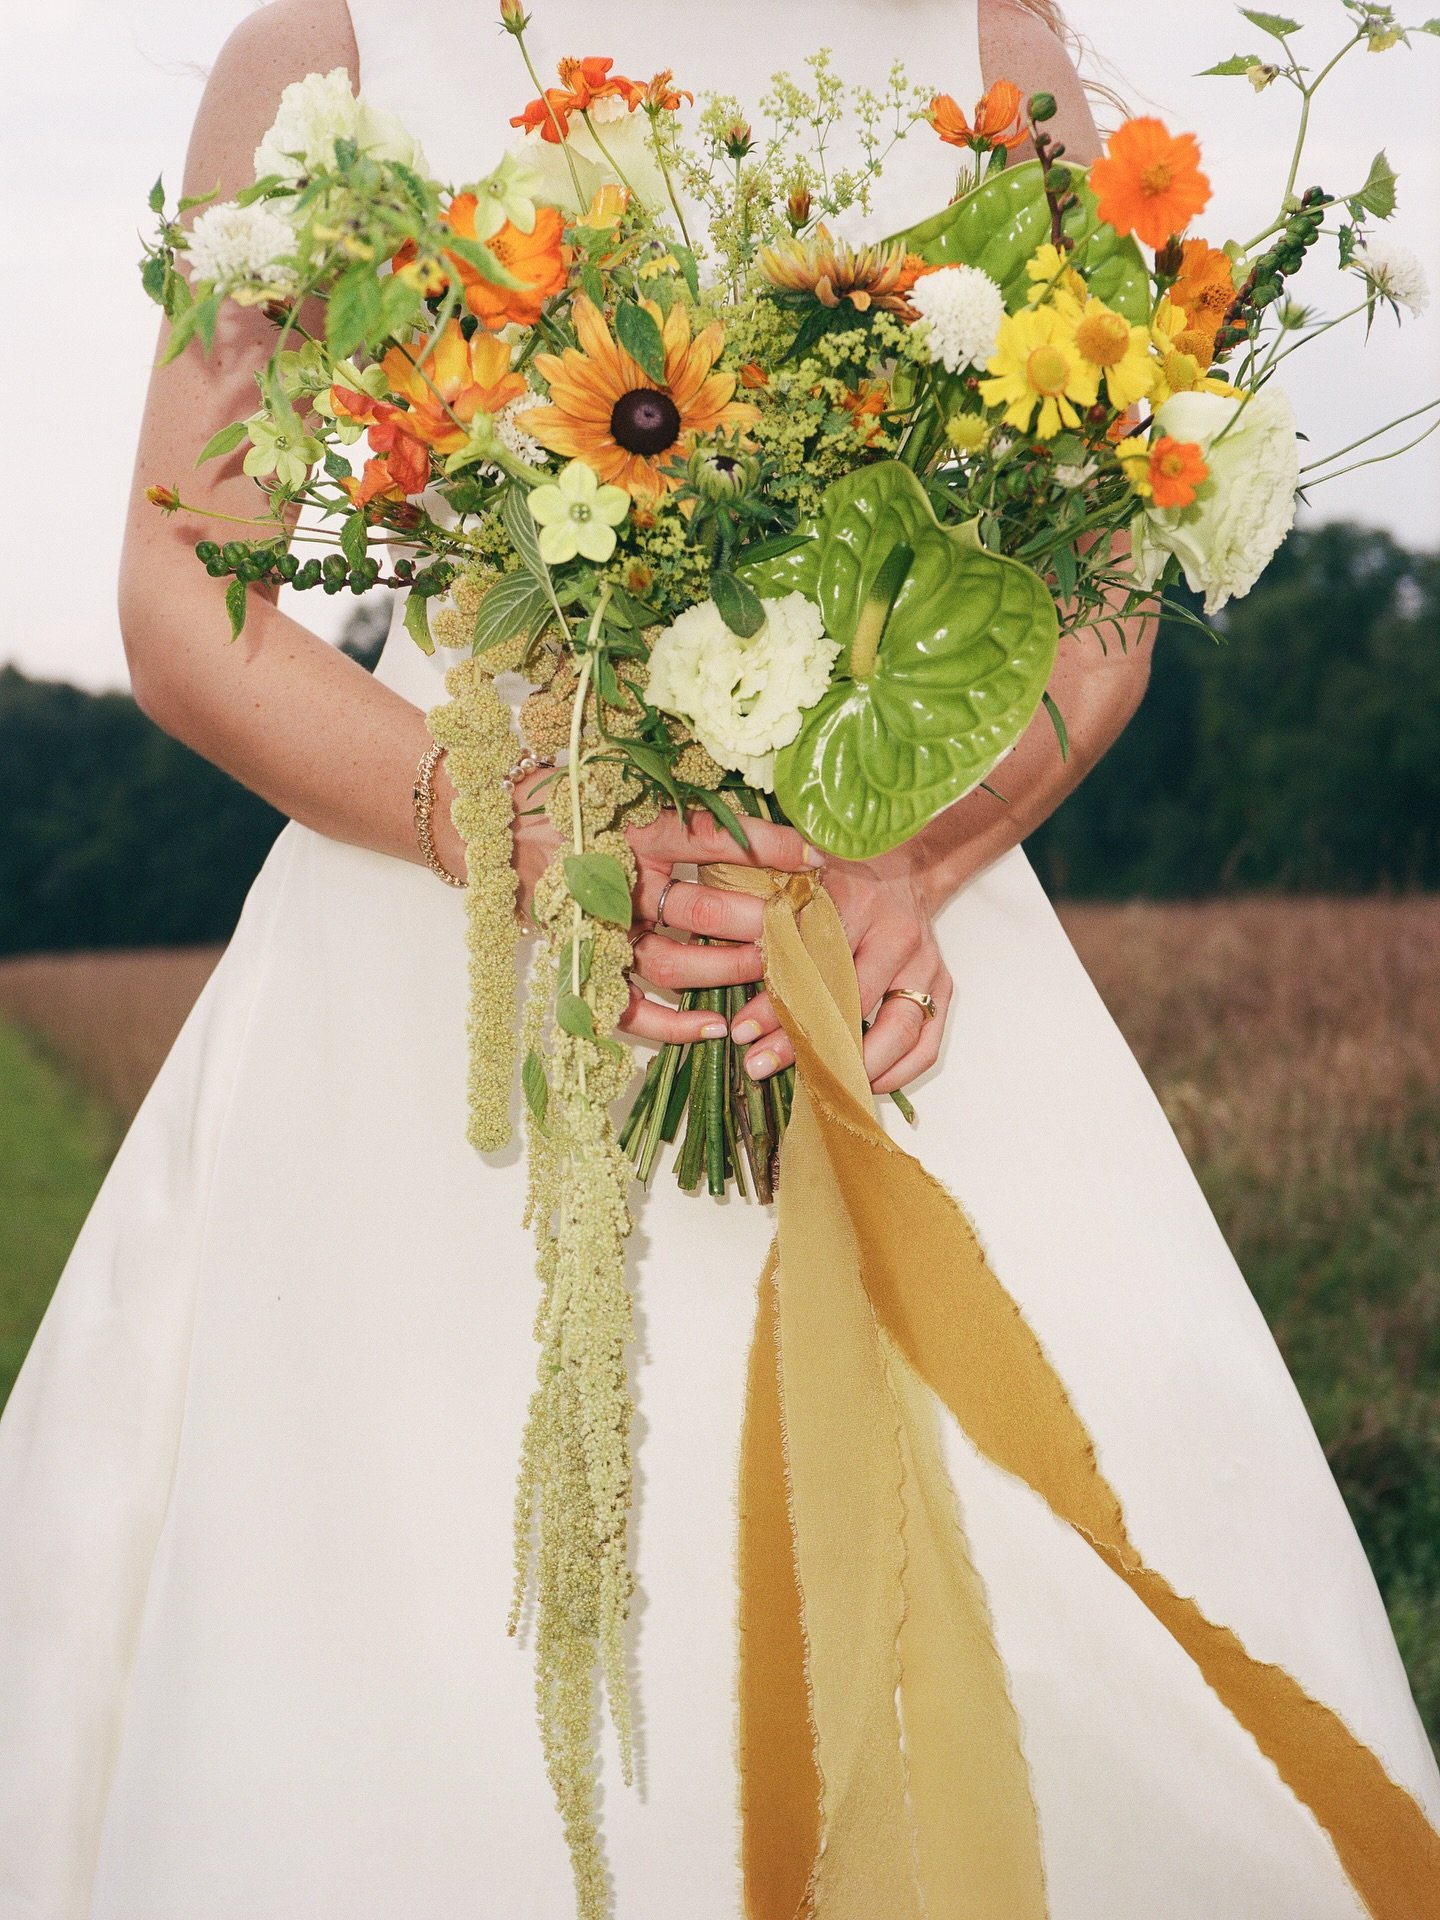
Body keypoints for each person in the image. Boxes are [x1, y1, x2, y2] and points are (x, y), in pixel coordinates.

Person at [0, 1, 1435, 1915]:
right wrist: (518, 828)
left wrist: (915, 852)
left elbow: (1106, 577)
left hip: (889, 943)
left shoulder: (995, 37)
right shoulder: (329, 47)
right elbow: (186, 588)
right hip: (455, 959)